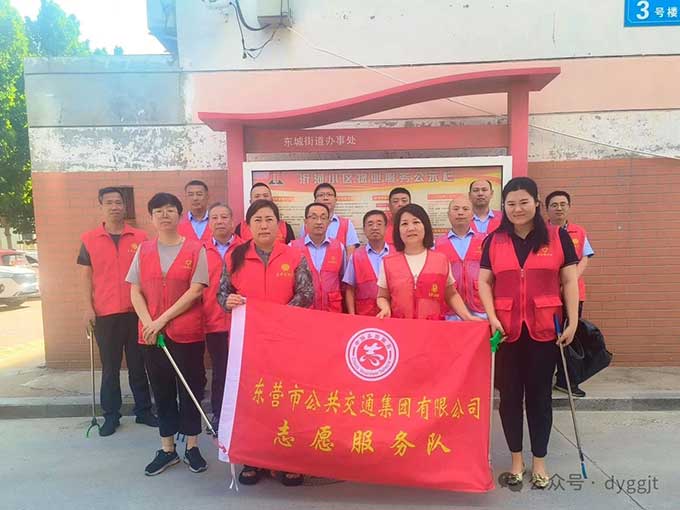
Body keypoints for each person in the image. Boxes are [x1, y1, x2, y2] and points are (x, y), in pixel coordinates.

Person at [477, 177, 579, 489]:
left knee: (539, 398)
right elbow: (484, 282)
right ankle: (516, 460)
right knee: (509, 398)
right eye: (510, 204)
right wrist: (491, 317)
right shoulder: (494, 241)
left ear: (536, 202)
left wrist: (573, 320)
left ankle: (540, 461)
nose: (517, 209)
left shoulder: (557, 237)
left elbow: (569, 280)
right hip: (507, 332)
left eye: (523, 202)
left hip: (545, 331)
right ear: (504, 207)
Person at [218, 199, 314, 487]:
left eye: (269, 219)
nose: (263, 225)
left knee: (286, 401)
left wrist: (276, 317)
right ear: (247, 226)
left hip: (286, 342)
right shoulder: (234, 256)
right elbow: (222, 295)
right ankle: (253, 459)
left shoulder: (295, 256)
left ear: (279, 225)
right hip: (248, 343)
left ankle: (288, 461)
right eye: (257, 220)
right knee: (253, 401)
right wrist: (228, 301)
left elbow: (306, 294)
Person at [127, 192, 210, 476]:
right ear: (151, 217)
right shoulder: (143, 250)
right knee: (161, 391)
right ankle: (167, 449)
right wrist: (148, 323)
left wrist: (161, 319)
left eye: (170, 209)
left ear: (179, 215)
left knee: (190, 389)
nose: (164, 215)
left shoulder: (195, 249)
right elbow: (135, 291)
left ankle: (192, 447)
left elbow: (196, 290)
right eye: (158, 211)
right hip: (152, 336)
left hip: (186, 333)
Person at [78, 187, 157, 436]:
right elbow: (85, 277)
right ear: (101, 206)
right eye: (109, 202)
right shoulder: (89, 239)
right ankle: (111, 416)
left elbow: (150, 273)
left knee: (138, 365)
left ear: (125, 206)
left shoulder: (140, 237)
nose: (114, 206)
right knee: (110, 368)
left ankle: (144, 411)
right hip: (105, 313)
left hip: (136, 312)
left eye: (118, 202)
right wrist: (87, 308)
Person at [376, 204, 479, 321]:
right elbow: (382, 296)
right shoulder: (388, 263)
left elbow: (451, 294)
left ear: (425, 226)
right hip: (400, 328)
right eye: (404, 224)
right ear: (398, 230)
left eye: (416, 222)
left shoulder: (441, 260)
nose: (411, 228)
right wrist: (385, 308)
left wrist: (467, 316)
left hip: (433, 328)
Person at [546, 190, 595, 398]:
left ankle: (566, 380)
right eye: (554, 205)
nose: (559, 208)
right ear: (546, 209)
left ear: (569, 207)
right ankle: (546, 377)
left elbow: (585, 257)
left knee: (569, 336)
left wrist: (570, 279)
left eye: (563, 204)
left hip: (573, 293)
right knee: (549, 336)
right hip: (548, 294)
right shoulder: (542, 233)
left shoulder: (579, 232)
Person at [203, 202, 242, 434]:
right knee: (220, 371)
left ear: (232, 221)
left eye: (224, 217)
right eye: (214, 217)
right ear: (209, 223)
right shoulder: (200, 251)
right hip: (213, 321)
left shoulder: (245, 249)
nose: (219, 221)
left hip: (241, 322)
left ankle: (242, 416)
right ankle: (219, 415)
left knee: (242, 373)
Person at [434, 196, 487, 320]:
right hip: (450, 310)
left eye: (465, 209)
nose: (460, 212)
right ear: (448, 214)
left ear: (472, 214)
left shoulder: (485, 240)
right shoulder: (437, 244)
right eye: (456, 209)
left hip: (480, 307)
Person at [291, 203, 346, 313]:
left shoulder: (339, 247)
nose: (319, 222)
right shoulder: (292, 248)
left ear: (329, 222)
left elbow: (342, 279)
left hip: (332, 311)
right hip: (304, 311)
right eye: (314, 217)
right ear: (305, 221)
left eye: (323, 218)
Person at [343, 210, 391, 316]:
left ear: (386, 228)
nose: (375, 227)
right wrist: (352, 316)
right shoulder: (356, 256)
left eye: (379, 224)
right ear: (364, 229)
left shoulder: (396, 254)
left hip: (391, 314)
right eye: (370, 224)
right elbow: (350, 289)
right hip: (365, 315)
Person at [299, 183, 360, 253]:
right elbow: (301, 248)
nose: (325, 198)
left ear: (335, 199)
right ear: (315, 201)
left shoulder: (347, 224)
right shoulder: (307, 224)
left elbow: (350, 253)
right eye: (321, 195)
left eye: (329, 195)